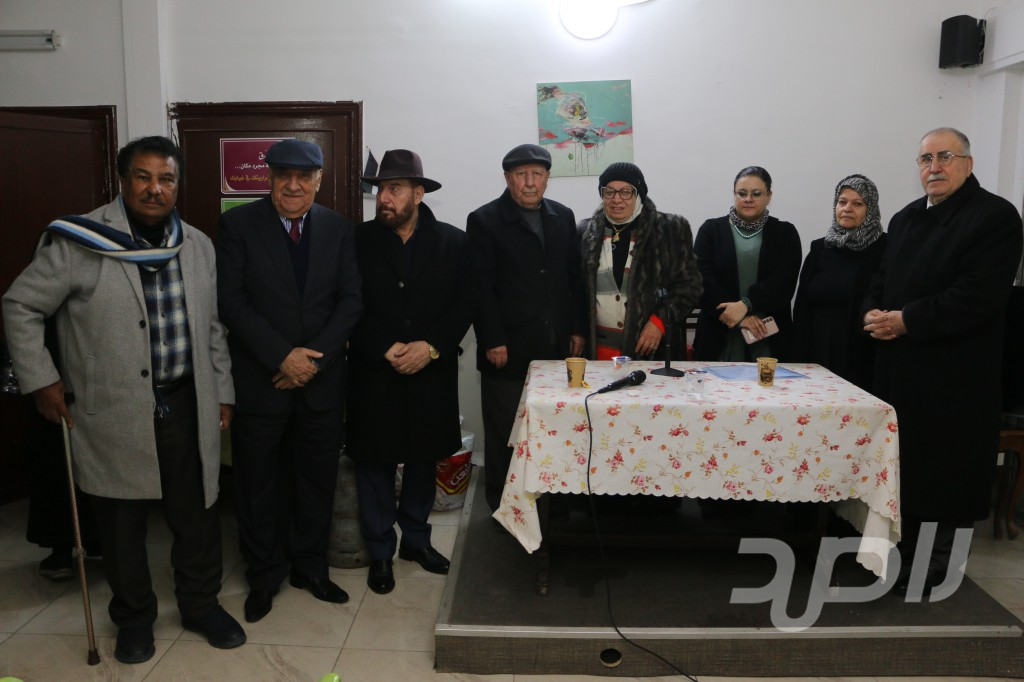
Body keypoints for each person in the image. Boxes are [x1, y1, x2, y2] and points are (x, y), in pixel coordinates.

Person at [2, 136, 244, 664]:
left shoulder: (197, 245)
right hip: (110, 407)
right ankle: (134, 618)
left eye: (166, 179)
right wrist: (41, 379)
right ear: (123, 180)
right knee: (121, 521)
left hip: (186, 401)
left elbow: (212, 328)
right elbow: (20, 305)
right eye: (143, 176)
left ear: (178, 186)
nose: (155, 189)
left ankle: (200, 605)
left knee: (197, 514)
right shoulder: (80, 240)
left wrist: (222, 391)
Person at [863, 127, 1023, 596]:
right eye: (925, 159)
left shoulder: (995, 217)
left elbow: (979, 296)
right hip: (900, 372)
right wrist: (872, 312)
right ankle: (901, 561)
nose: (933, 167)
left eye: (944, 156)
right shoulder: (907, 217)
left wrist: (907, 320)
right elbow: (881, 278)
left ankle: (936, 573)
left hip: (956, 376)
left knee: (946, 477)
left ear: (967, 164)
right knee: (906, 473)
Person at [217, 139, 362, 623]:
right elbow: (231, 302)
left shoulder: (339, 228)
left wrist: (311, 363)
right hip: (262, 382)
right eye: (284, 177)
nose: (293, 186)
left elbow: (351, 301)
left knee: (316, 481)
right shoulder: (238, 225)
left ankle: (310, 568)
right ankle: (264, 575)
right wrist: (281, 356)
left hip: (321, 385)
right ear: (270, 179)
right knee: (258, 484)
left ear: (319, 180)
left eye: (304, 177)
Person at [348, 149, 476, 594]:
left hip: (430, 370)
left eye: (395, 189)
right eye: (381, 189)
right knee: (375, 463)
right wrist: (382, 345)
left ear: (418, 194)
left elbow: (465, 303)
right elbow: (347, 303)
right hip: (373, 370)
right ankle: (380, 551)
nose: (384, 197)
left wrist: (432, 346)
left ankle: (416, 542)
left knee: (424, 457)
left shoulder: (454, 242)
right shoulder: (356, 241)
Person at [468, 143, 586, 512]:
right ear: (508, 178)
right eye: (521, 175)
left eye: (537, 174)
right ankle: (505, 507)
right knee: (507, 432)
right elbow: (480, 287)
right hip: (507, 347)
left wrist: (577, 329)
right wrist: (492, 339)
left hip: (556, 346)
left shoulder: (563, 216)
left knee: (557, 426)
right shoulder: (484, 220)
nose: (530, 182)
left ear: (548, 178)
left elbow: (573, 278)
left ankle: (555, 505)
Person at [577, 162, 702, 360]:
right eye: (609, 191)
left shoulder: (670, 229)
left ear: (639, 194)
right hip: (598, 353)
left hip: (652, 352)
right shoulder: (584, 233)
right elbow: (575, 290)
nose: (617, 199)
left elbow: (690, 286)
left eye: (626, 192)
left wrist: (659, 322)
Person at [693, 166, 802, 362]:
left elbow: (784, 282)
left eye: (756, 193)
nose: (748, 199)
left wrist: (747, 304)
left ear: (769, 196)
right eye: (742, 193)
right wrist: (738, 317)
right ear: (734, 195)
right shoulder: (710, 230)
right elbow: (702, 280)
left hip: (769, 340)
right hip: (718, 337)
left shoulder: (785, 233)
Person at [792, 174, 887, 391]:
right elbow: (802, 307)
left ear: (871, 209)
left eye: (857, 204)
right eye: (842, 202)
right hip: (816, 349)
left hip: (860, 350)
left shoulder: (884, 248)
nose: (847, 209)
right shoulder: (820, 248)